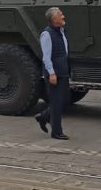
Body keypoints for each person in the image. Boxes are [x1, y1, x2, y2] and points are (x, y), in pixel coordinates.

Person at [34, 7, 70, 140]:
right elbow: (46, 57)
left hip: (63, 71)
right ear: (54, 19)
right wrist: (51, 73)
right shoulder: (47, 34)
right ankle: (56, 132)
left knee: (64, 100)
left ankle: (43, 117)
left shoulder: (61, 31)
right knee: (56, 102)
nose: (63, 16)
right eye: (61, 15)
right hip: (54, 73)